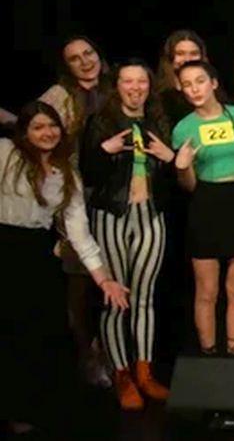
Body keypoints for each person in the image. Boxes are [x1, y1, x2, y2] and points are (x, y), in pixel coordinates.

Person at [2, 101, 131, 435]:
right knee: (10, 330)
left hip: (36, 255)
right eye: (38, 127)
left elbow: (79, 233)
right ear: (24, 132)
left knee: (44, 330)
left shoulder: (65, 173)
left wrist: (104, 280)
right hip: (5, 247)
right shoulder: (6, 154)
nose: (47, 133)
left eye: (52, 126)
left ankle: (37, 406)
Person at [81, 61, 176, 409]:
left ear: (149, 86)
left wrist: (171, 158)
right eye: (128, 82)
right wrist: (102, 153)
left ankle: (144, 372)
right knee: (116, 298)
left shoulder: (158, 121)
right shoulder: (101, 121)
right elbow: (87, 174)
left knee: (145, 297)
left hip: (150, 214)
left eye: (141, 82)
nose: (135, 88)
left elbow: (174, 175)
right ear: (117, 86)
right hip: (113, 214)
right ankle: (121, 374)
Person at [170, 59, 234, 354]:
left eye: (200, 81)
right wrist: (182, 168)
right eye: (187, 85)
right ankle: (209, 356)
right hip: (206, 205)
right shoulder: (183, 128)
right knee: (207, 291)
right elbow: (188, 185)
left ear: (213, 83)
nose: (194, 89)